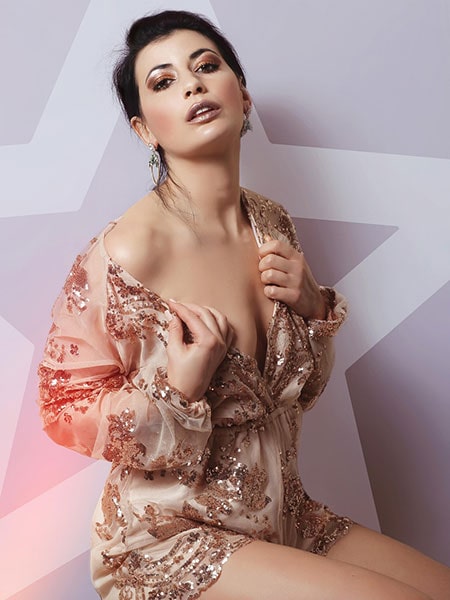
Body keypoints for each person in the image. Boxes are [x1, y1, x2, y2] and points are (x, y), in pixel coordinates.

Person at [38, 10, 450, 600]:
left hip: (286, 517)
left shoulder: (270, 223)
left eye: (207, 66)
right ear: (144, 130)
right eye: (164, 81)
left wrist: (313, 306)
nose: (192, 84)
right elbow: (62, 407)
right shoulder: (129, 251)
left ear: (243, 96)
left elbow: (298, 392)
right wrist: (176, 390)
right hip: (171, 538)